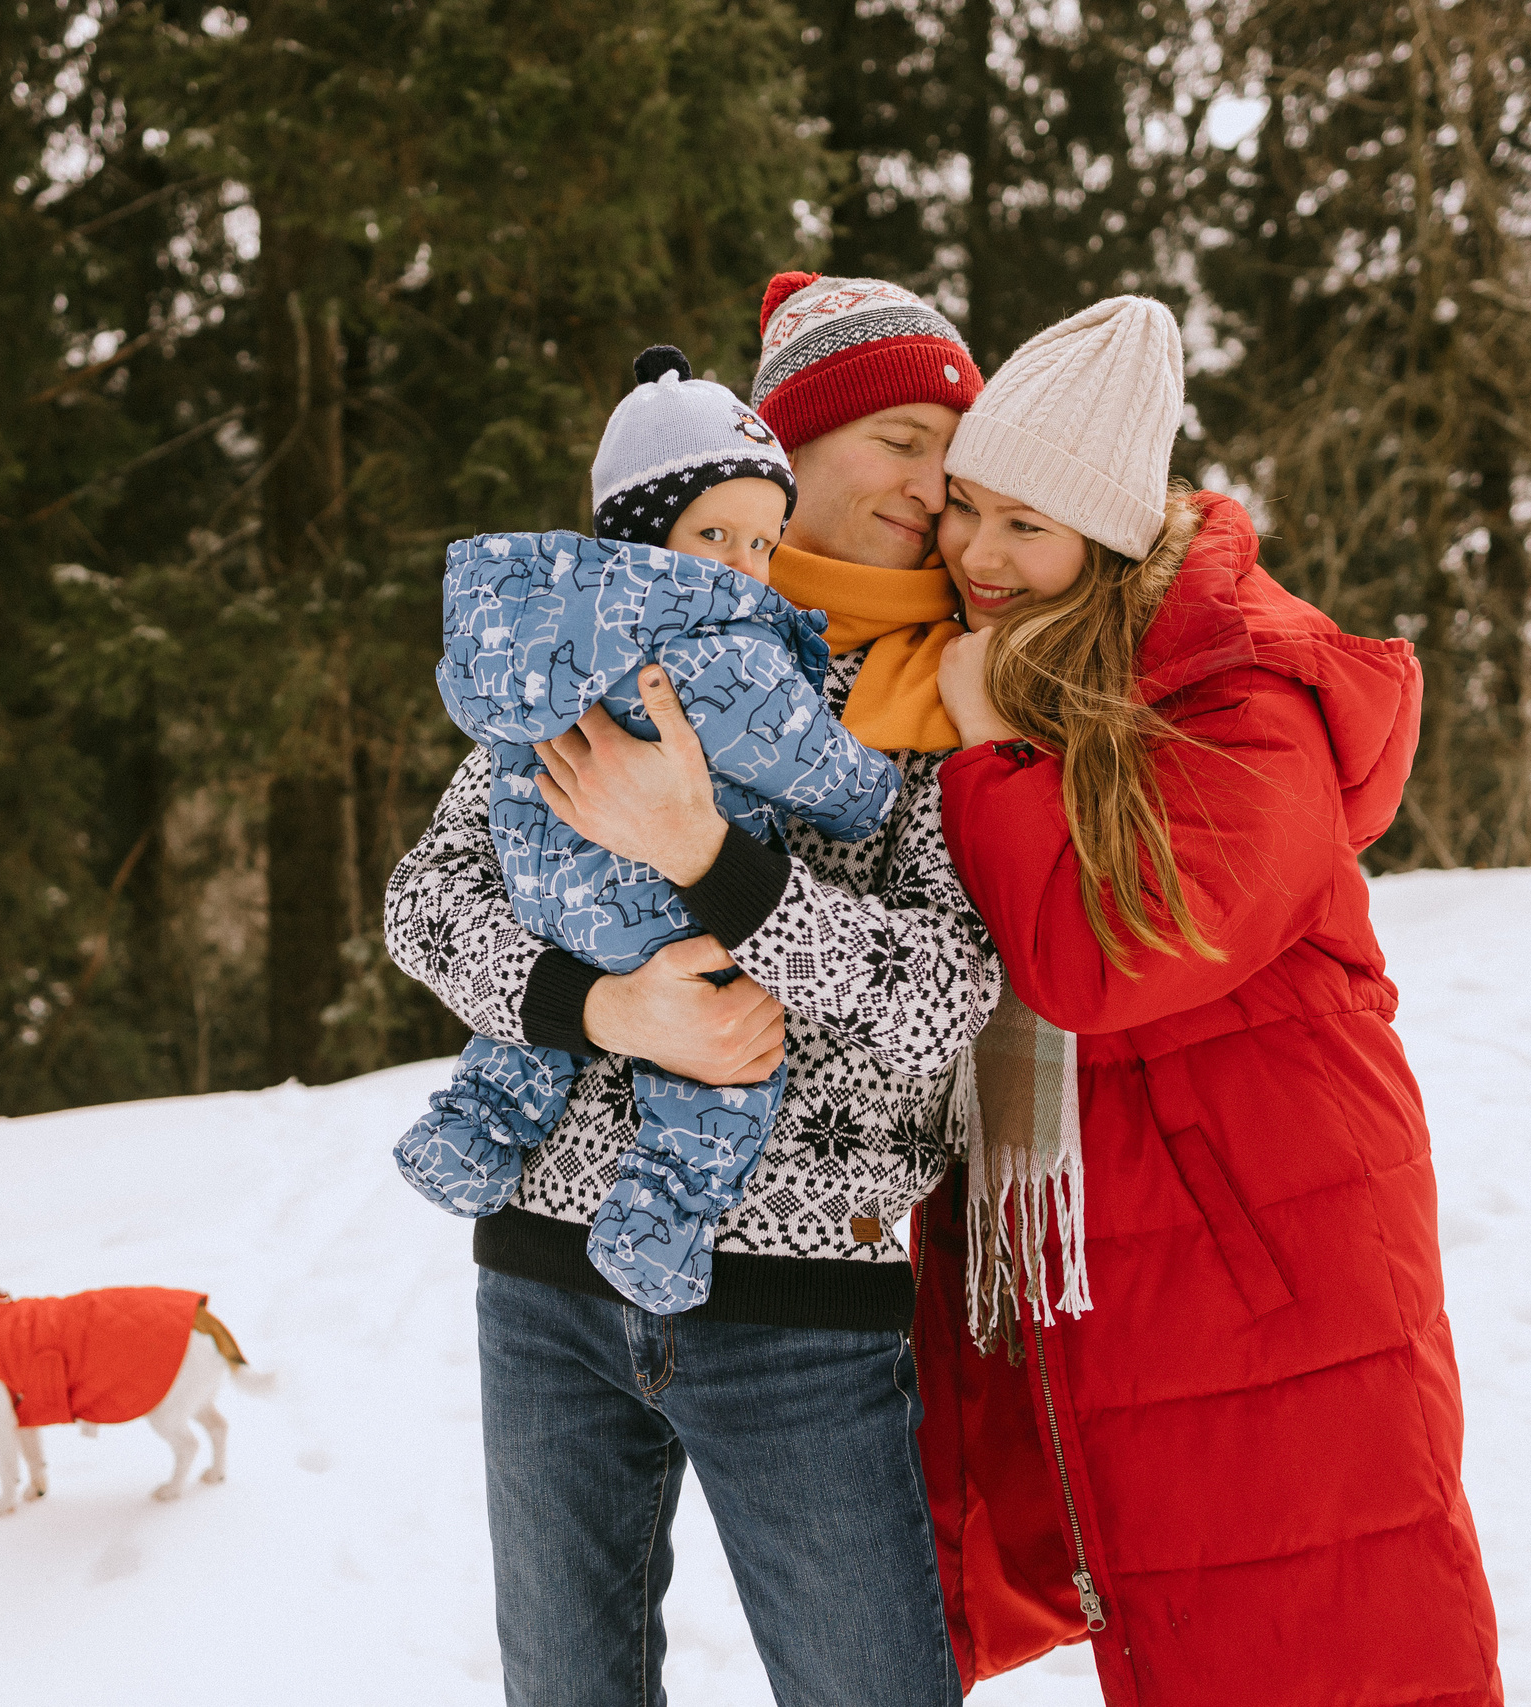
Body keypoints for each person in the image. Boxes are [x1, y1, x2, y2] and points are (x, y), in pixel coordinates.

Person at [383, 273, 992, 1706]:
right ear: (796, 438)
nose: (932, 481)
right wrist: (596, 1010)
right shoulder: (607, 631)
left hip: (806, 1304)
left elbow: (942, 993)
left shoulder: (947, 693)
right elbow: (428, 897)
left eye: (954, 458)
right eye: (900, 438)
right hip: (547, 1275)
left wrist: (714, 860)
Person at [917, 296, 1504, 1705]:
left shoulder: (1242, 697)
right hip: (1158, 1250)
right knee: (1196, 1633)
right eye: (966, 509)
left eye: (1025, 526)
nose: (981, 557)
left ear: (1110, 536)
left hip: (1273, 1246)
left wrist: (992, 741)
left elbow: (1098, 955)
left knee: (1336, 1627)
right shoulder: (1066, 658)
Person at [392, 344, 901, 1318]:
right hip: (659, 924)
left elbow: (933, 993)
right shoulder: (714, 646)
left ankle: (463, 1139)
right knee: (722, 1083)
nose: (745, 571)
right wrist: (862, 792)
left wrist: (567, 998)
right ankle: (656, 1226)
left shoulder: (524, 635)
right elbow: (809, 764)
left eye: (763, 544)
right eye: (716, 534)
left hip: (550, 904)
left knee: (518, 1056)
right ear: (636, 531)